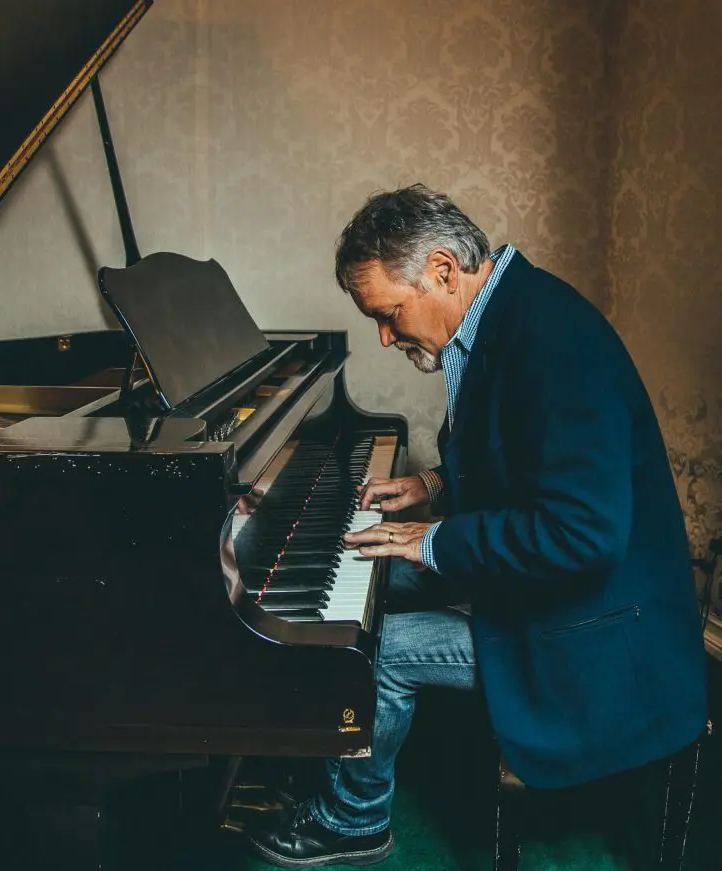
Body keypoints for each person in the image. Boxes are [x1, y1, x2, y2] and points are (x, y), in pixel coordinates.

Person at [247, 184, 707, 868]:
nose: (383, 334)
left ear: (440, 270)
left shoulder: (555, 343)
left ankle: (354, 818)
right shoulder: (504, 314)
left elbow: (584, 534)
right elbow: (524, 459)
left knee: (381, 644)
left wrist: (433, 537)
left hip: (599, 628)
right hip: (556, 590)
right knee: (371, 570)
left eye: (390, 313)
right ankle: (315, 749)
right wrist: (435, 484)